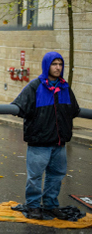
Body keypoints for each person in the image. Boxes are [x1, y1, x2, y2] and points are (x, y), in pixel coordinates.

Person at [11, 52, 80, 220]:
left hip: (59, 143)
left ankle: (50, 204)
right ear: (46, 66)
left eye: (60, 64)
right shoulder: (35, 87)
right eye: (54, 64)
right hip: (39, 143)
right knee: (35, 176)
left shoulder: (65, 87)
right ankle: (33, 206)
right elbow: (18, 106)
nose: (58, 67)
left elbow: (74, 110)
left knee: (56, 175)